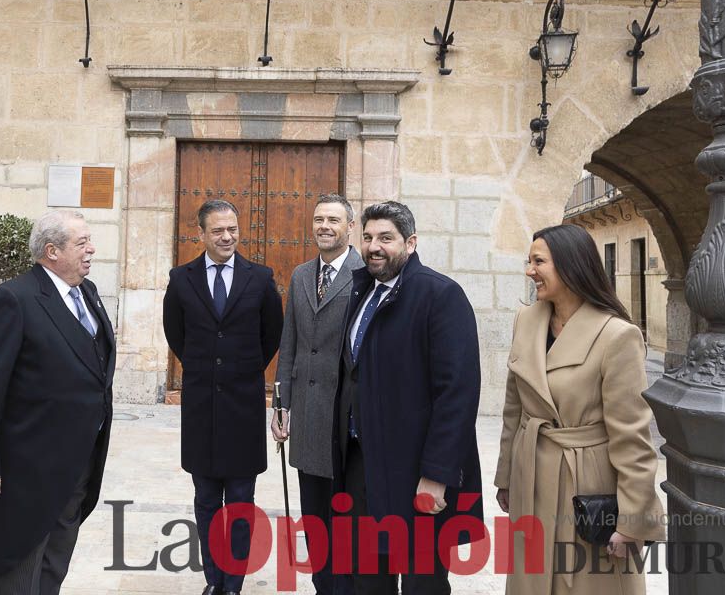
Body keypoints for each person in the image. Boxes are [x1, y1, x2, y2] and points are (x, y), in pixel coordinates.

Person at [494, 223, 665, 595]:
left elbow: (632, 435)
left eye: (538, 261)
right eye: (529, 261)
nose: (529, 271)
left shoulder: (618, 336)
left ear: (570, 266)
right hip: (531, 477)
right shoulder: (527, 320)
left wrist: (633, 520)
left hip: (586, 484)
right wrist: (506, 475)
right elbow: (514, 409)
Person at [0, 210, 115, 595]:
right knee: (18, 571)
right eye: (81, 243)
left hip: (77, 463)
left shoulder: (88, 293)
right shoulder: (14, 299)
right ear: (51, 251)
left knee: (53, 568)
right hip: (26, 470)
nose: (91, 249)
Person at [334, 200, 483, 594]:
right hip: (364, 469)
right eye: (366, 237)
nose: (373, 247)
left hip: (416, 474)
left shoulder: (440, 295)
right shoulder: (363, 292)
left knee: (422, 583)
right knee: (368, 580)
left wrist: (436, 476)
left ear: (410, 243)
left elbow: (457, 394)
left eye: (386, 238)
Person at [163, 199, 284, 595]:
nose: (227, 236)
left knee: (240, 501)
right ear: (202, 234)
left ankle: (233, 583)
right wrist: (206, 369)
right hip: (200, 410)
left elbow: (271, 336)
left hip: (243, 409)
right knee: (206, 501)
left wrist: (239, 370)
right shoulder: (181, 279)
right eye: (218, 231)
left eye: (232, 228)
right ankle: (213, 581)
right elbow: (176, 334)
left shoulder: (260, 278)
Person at [273, 193, 363, 595]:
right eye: (318, 219)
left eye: (333, 220)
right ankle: (322, 586)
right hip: (307, 417)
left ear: (350, 227)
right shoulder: (300, 275)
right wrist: (281, 403)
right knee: (314, 513)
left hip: (344, 418)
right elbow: (289, 343)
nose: (324, 226)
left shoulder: (365, 275)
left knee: (345, 513)